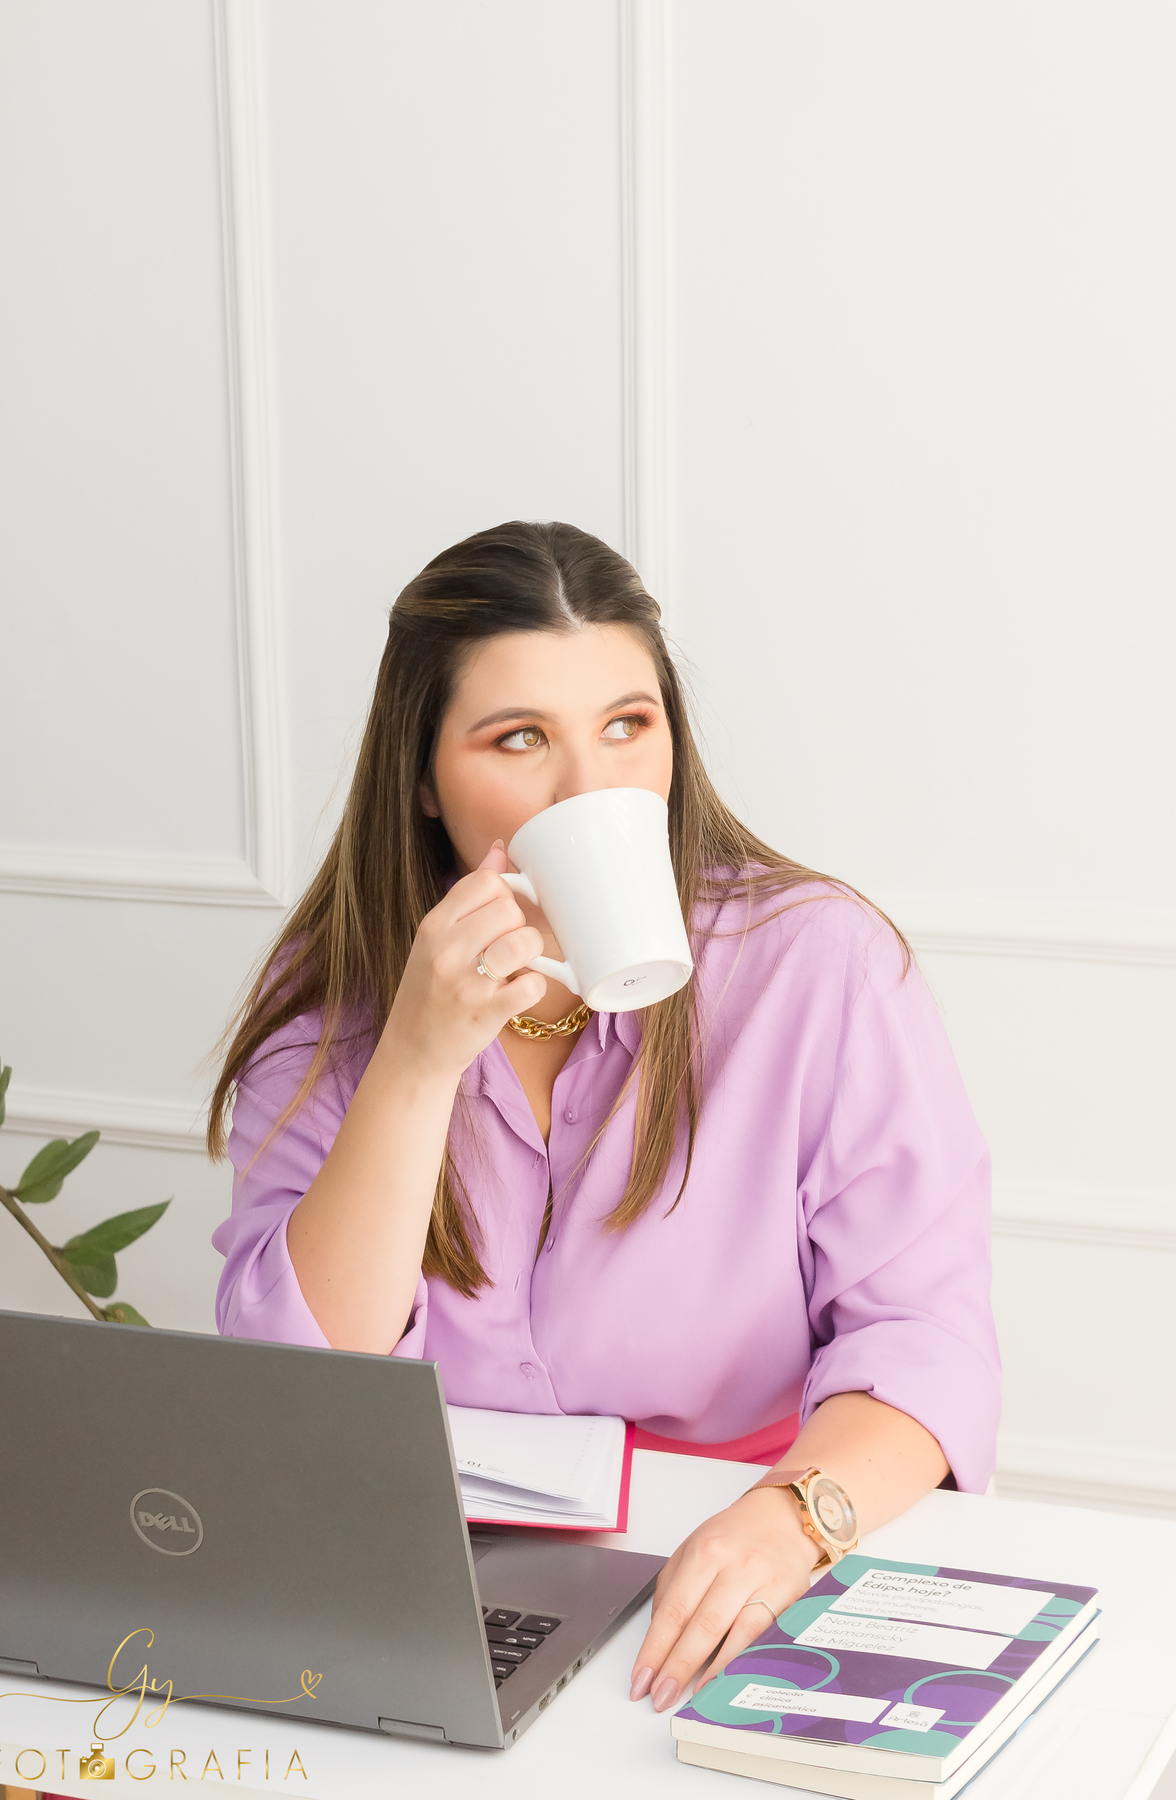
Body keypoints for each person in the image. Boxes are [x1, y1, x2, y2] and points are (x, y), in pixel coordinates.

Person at [209, 520, 999, 1716]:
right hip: (418, 1580)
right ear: (423, 779)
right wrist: (416, 1066)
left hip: (740, 1562)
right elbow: (293, 1398)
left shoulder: (816, 967)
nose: (592, 789)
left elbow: (926, 1334)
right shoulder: (332, 1001)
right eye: (519, 739)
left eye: (628, 726)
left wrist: (791, 1523)